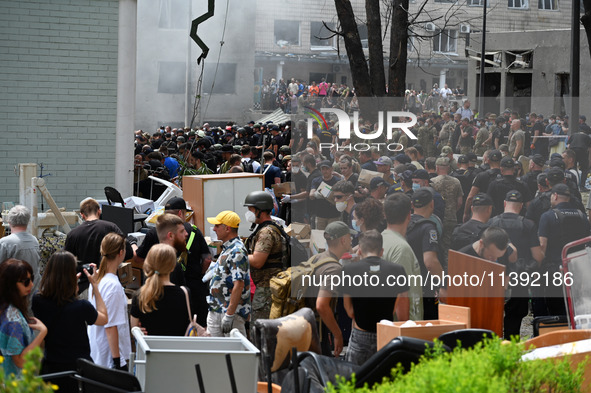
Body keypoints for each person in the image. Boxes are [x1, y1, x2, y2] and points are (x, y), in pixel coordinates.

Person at [33, 251, 108, 393]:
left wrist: (70, 288)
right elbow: (103, 318)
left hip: (51, 369)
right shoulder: (81, 307)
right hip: (77, 371)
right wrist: (95, 286)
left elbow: (57, 302)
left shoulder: (37, 301)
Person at [134, 197, 211, 326]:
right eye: (182, 232)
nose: (185, 234)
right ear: (181, 213)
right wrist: (200, 274)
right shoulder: (194, 231)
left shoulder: (154, 233)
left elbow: (138, 258)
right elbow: (207, 259)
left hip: (159, 292)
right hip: (194, 289)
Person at [342, 230, 409, 366]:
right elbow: (403, 313)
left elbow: (349, 311)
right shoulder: (398, 270)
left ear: (359, 250)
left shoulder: (348, 271)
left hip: (360, 337)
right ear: (382, 251)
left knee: (357, 381)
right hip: (387, 333)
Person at [488, 190, 543, 339]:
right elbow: (537, 256)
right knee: (515, 319)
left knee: (491, 316)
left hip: (495, 278)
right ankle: (511, 348)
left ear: (505, 203)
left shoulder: (492, 223)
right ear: (521, 206)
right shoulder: (528, 225)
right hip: (519, 277)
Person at [538, 184, 590, 316]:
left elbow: (542, 245)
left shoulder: (547, 216)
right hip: (577, 269)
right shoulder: (582, 216)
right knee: (575, 308)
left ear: (555, 196)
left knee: (555, 308)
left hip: (554, 269)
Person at [306, 221, 354, 357]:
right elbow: (322, 305)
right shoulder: (334, 269)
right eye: (350, 237)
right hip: (318, 333)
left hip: (308, 326)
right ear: (343, 240)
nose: (351, 240)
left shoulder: (318, 258)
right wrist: (338, 334)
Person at [87, 233, 131, 370]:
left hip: (97, 351)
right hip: (110, 357)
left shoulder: (97, 278)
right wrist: (117, 361)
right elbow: (111, 326)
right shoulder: (113, 286)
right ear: (121, 253)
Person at [206, 211, 250, 337]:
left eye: (217, 226)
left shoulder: (237, 251)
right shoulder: (228, 248)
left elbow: (239, 285)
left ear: (227, 228)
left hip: (229, 312)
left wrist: (229, 315)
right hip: (217, 309)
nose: (214, 229)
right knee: (215, 354)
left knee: (237, 354)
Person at [243, 191, 286, 323]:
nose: (248, 213)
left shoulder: (266, 232)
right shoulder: (273, 227)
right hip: (270, 286)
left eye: (250, 209)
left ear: (259, 210)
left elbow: (257, 261)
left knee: (261, 327)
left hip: (267, 289)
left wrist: (237, 255)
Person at [0, 259, 47, 377]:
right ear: (10, 284)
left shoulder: (6, 309)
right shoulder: (13, 320)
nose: (31, 284)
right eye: (26, 282)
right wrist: (43, 332)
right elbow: (20, 361)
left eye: (31, 279)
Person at [130, 244, 190, 336]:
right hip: (177, 348)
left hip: (150, 348)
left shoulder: (140, 296)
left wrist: (138, 331)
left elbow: (134, 329)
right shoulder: (184, 294)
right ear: (173, 267)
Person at [382, 193, 423, 320]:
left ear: (385, 215)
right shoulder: (401, 248)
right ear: (409, 216)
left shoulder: (380, 239)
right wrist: (404, 329)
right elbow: (402, 295)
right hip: (404, 325)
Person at [406, 189, 444, 319]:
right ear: (432, 204)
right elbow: (430, 262)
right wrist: (443, 283)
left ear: (412, 205)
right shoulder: (428, 228)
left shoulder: (404, 224)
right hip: (425, 287)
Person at [65, 198, 136, 267]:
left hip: (83, 277)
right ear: (99, 211)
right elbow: (128, 253)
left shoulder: (73, 234)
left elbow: (67, 262)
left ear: (82, 215)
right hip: (106, 276)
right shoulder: (111, 227)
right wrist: (132, 242)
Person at [0, 205, 41, 296]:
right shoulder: (34, 240)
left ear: (9, 221)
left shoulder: (5, 243)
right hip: (32, 293)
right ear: (28, 221)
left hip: (13, 296)